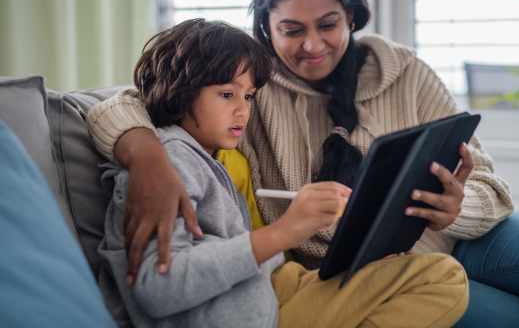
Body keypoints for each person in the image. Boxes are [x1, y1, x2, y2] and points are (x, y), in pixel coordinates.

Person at [87, 0, 519, 328]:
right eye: (291, 30)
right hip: (364, 268)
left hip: (459, 238)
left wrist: (457, 206)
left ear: (351, 15)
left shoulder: (404, 71)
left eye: (328, 24)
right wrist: (145, 157)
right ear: (265, 28)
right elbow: (133, 100)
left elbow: (490, 184)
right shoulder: (249, 82)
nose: (312, 45)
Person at [96, 18, 469, 328]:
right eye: (227, 95)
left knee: (434, 273)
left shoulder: (205, 158)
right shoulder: (168, 164)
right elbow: (158, 289)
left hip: (271, 291)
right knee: (445, 279)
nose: (243, 110)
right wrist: (285, 231)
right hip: (255, 315)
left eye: (249, 96)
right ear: (180, 91)